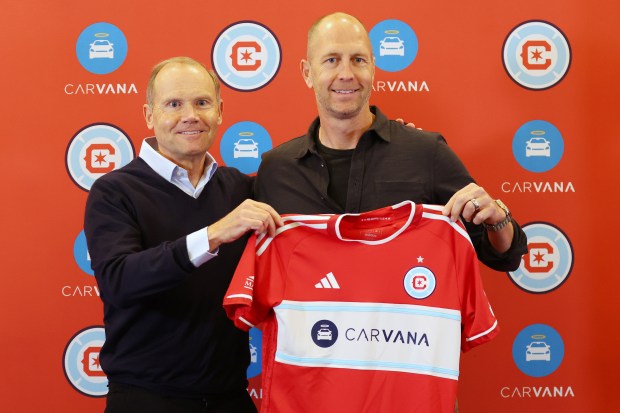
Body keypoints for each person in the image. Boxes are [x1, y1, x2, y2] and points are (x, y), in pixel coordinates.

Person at [254, 12, 527, 270]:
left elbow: (505, 257)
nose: (347, 73)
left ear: (373, 68)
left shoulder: (426, 153)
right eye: (331, 60)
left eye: (358, 60)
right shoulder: (276, 170)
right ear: (307, 72)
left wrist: (496, 216)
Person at [84, 56, 282, 413]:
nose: (190, 114)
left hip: (230, 397)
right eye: (173, 104)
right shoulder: (114, 191)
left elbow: (317, 208)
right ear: (149, 115)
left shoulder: (240, 188)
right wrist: (212, 235)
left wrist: (394, 152)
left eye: (202, 102)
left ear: (220, 111)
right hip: (146, 398)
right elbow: (118, 280)